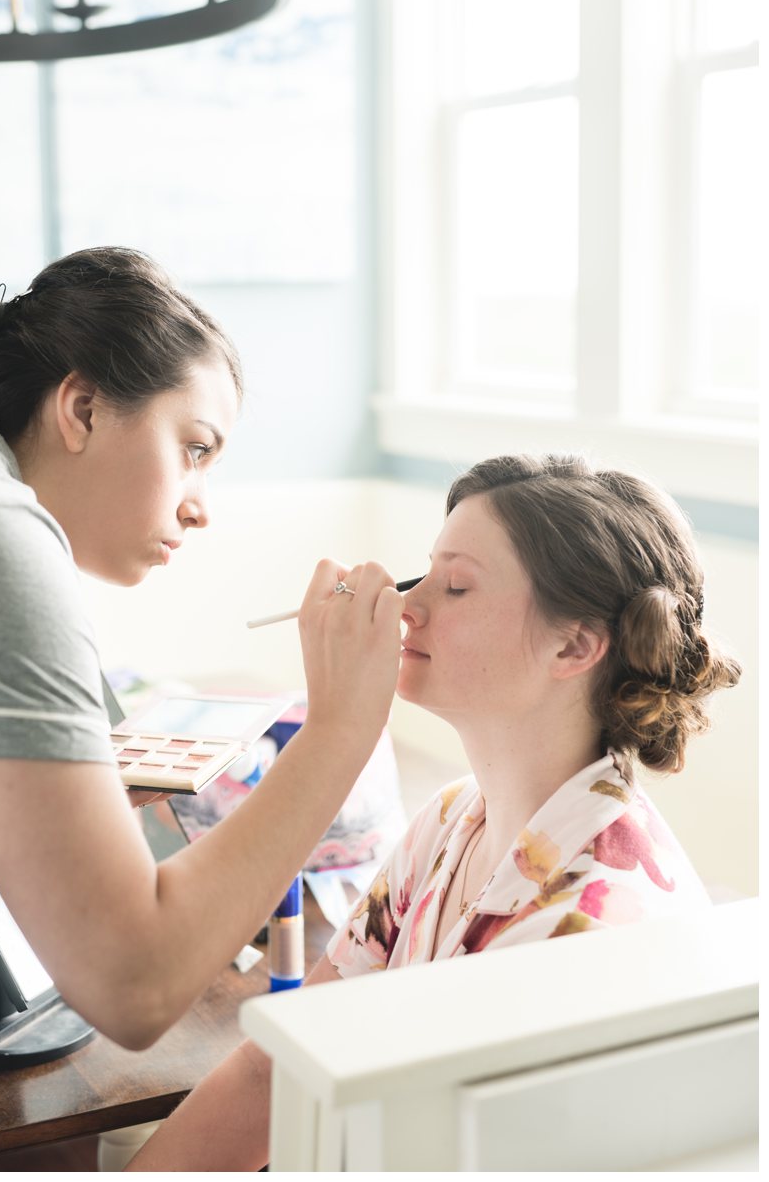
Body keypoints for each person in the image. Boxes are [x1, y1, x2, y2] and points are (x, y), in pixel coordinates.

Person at [128, 453, 740, 1171]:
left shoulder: (582, 931)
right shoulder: (452, 821)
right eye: (427, 573)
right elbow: (277, 1067)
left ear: (573, 645)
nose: (406, 608)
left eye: (455, 586)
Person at [0, 245, 406, 1049]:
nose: (201, 509)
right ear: (83, 408)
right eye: (195, 449)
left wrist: (90, 787)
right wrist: (340, 729)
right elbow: (133, 985)